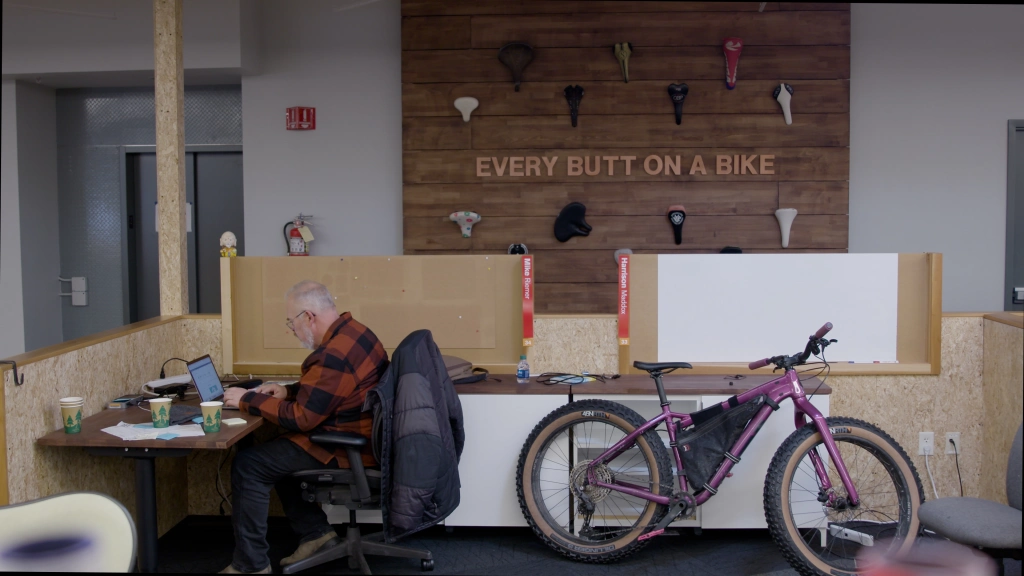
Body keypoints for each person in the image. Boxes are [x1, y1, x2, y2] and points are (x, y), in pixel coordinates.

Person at [219, 280, 389, 574]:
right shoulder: (358, 333)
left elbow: (302, 419)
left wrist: (248, 399)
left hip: (346, 447)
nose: (292, 329)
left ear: (309, 317)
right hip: (358, 436)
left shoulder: (332, 355)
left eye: (291, 321)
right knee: (276, 454)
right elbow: (331, 388)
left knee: (250, 464)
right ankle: (316, 535)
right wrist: (290, 391)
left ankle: (250, 566)